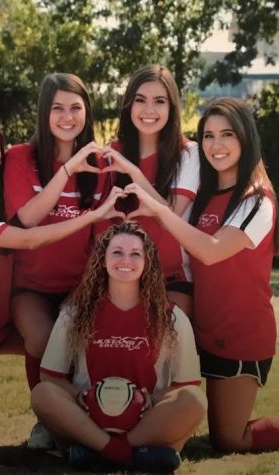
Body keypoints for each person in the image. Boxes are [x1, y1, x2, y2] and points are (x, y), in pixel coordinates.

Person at [0, 116, 124, 444]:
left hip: (4, 325)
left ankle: (66, 424)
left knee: (65, 342)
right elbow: (30, 239)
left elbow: (33, 209)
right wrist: (91, 216)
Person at [124, 97, 279, 453]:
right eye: (208, 136)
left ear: (246, 138)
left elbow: (209, 250)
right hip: (199, 330)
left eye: (227, 134)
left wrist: (161, 215)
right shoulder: (205, 194)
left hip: (239, 334)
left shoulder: (258, 201)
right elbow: (172, 222)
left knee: (230, 440)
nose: (216, 145)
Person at [31, 222, 206, 472]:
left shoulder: (172, 317)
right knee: (42, 394)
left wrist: (150, 399)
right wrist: (81, 397)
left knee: (195, 401)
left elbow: (187, 385)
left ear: (148, 262)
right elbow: (49, 376)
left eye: (136, 254)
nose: (126, 260)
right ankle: (135, 455)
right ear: (102, 259)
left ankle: (97, 454)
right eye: (117, 252)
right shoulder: (76, 312)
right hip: (89, 420)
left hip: (146, 422)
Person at [3, 72, 114, 448]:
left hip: (78, 285)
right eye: (58, 108)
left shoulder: (100, 166)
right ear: (43, 113)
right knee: (42, 337)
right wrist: (68, 169)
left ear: (87, 113)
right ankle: (49, 423)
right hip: (31, 287)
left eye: (76, 108)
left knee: (83, 339)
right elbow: (29, 218)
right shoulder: (20, 157)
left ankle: (91, 420)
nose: (67, 117)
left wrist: (89, 293)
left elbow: (101, 236)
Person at [99, 65, 200, 316]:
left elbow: (171, 216)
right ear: (129, 105)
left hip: (172, 276)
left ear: (171, 107)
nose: (149, 110)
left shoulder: (189, 154)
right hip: (121, 275)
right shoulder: (112, 153)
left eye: (159, 101)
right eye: (140, 100)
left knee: (172, 336)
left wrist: (133, 172)